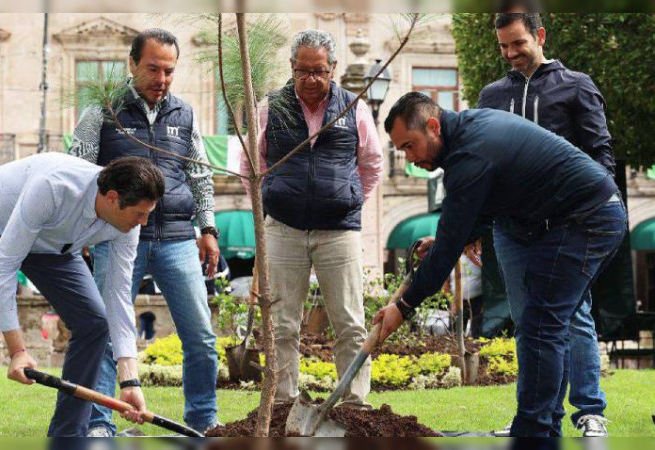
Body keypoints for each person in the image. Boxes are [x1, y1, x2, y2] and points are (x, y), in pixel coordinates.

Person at [376, 92, 625, 437]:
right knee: (541, 323)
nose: (409, 157)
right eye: (401, 150)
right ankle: (541, 423)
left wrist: (402, 306)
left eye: (409, 145)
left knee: (542, 322)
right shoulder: (468, 135)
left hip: (587, 219)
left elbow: (446, 252)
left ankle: (535, 428)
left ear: (433, 126)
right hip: (574, 218)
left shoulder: (469, 153)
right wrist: (459, 237)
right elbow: (490, 203)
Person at [0, 153, 164, 437]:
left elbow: (118, 294)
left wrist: (130, 380)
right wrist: (17, 351)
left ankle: (67, 437)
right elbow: (3, 266)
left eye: (148, 214)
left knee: (94, 323)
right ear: (111, 197)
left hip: (51, 245)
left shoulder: (126, 222)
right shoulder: (53, 186)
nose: (144, 223)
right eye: (140, 214)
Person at [69, 28, 220, 435]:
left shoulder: (184, 114)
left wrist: (207, 228)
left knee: (201, 337)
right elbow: (78, 168)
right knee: (104, 334)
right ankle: (100, 424)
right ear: (132, 63)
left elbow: (200, 174)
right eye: (153, 68)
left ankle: (204, 421)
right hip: (115, 238)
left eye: (169, 71)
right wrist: (83, 231)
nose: (162, 79)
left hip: (175, 238)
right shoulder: (103, 110)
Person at [478, 11, 615, 437]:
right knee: (528, 322)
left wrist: (588, 211)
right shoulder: (491, 95)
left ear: (539, 35)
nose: (511, 54)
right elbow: (483, 165)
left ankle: (590, 409)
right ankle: (537, 416)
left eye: (518, 43)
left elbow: (601, 156)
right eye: (503, 46)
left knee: (573, 317)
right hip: (512, 230)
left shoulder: (577, 86)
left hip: (567, 227)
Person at [240, 29, 384, 407]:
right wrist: (266, 209)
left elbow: (371, 164)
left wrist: (350, 200)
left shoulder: (355, 108)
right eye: (303, 70)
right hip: (283, 230)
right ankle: (284, 402)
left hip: (339, 232)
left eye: (319, 71)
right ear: (291, 67)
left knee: (350, 323)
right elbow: (249, 165)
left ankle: (354, 403)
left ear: (332, 69)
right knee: (281, 324)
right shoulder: (271, 106)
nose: (311, 79)